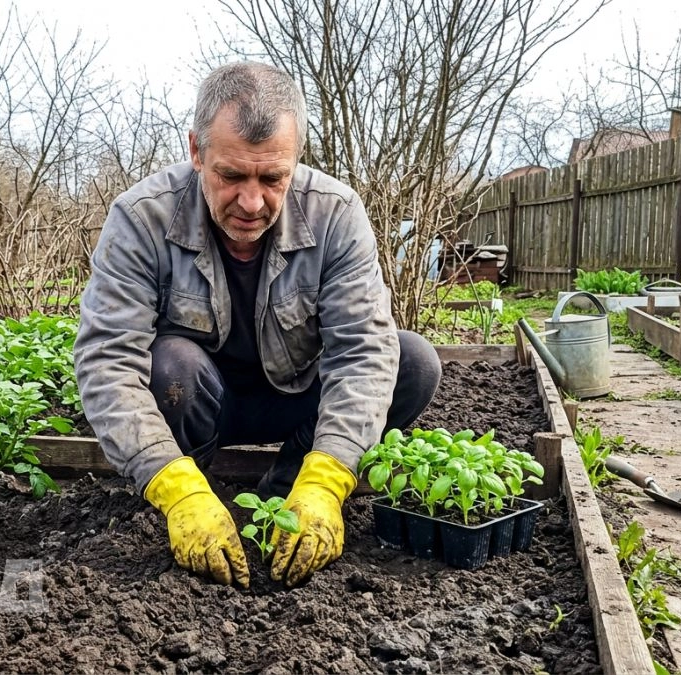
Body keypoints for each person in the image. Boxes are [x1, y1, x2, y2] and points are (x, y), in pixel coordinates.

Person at [73, 61, 441, 589]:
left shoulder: (335, 214)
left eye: (272, 178)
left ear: (295, 161)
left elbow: (362, 351)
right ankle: (197, 496)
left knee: (412, 361)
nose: (251, 201)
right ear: (197, 152)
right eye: (230, 175)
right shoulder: (142, 218)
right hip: (200, 400)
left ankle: (288, 490)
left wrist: (328, 477)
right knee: (170, 366)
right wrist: (176, 488)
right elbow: (107, 358)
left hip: (295, 397)